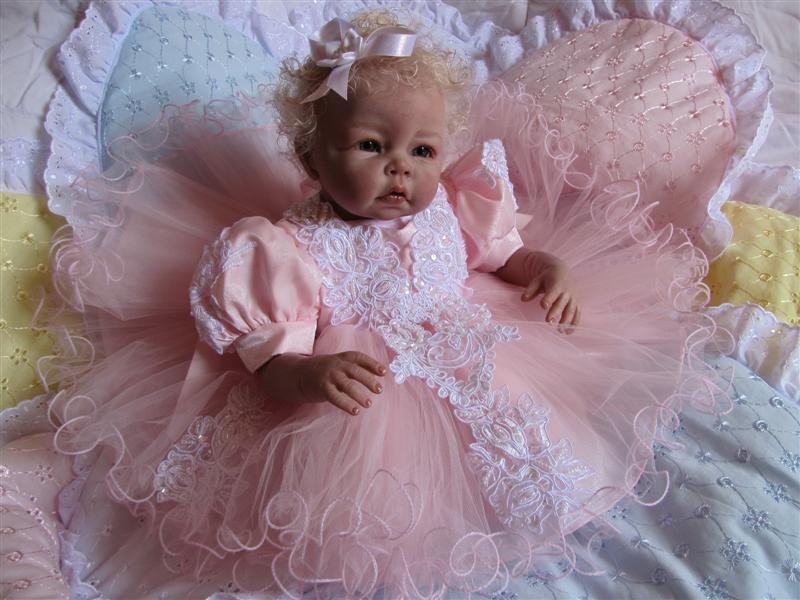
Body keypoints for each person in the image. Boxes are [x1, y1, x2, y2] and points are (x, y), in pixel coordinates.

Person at [24, 9, 725, 600]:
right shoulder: (287, 249)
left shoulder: (457, 203)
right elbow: (270, 359)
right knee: (379, 505)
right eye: (370, 145)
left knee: (528, 440)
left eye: (422, 149)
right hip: (363, 392)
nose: (401, 167)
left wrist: (547, 268)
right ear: (312, 157)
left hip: (472, 340)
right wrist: (305, 375)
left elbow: (504, 256)